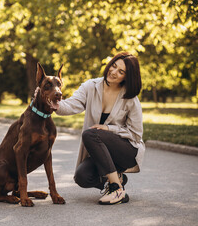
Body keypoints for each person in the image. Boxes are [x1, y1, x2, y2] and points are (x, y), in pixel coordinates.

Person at [55, 52, 145, 205]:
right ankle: (116, 179)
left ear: (127, 77)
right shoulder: (91, 87)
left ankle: (116, 190)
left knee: (90, 134)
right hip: (103, 152)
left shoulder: (130, 98)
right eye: (114, 66)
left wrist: (109, 129)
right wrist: (53, 103)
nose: (114, 72)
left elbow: (136, 134)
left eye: (121, 71)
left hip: (127, 151)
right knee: (82, 177)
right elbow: (70, 105)